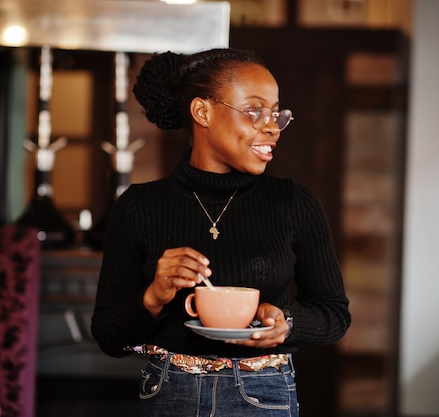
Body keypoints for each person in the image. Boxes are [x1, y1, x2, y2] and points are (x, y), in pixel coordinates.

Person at [91, 47, 351, 417]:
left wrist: (287, 324)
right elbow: (108, 336)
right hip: (168, 392)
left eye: (276, 114)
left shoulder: (295, 203)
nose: (272, 127)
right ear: (203, 111)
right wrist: (154, 295)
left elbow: (334, 315)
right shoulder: (139, 206)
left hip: (264, 394)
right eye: (254, 111)